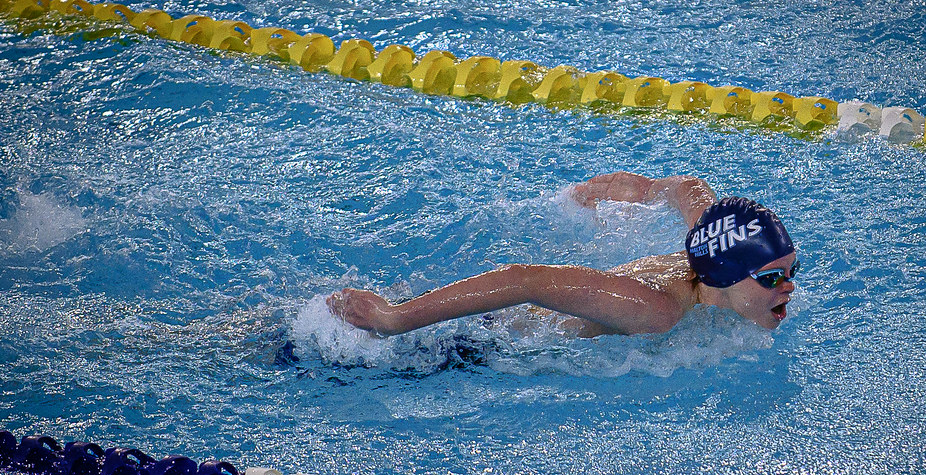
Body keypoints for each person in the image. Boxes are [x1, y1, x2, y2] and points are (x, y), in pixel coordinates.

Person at [327, 171, 798, 338]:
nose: (789, 287)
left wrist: (645, 189)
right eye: (772, 278)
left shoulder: (711, 247)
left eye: (792, 271)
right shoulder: (657, 309)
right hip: (485, 337)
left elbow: (691, 190)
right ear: (725, 276)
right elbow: (524, 280)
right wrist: (395, 319)